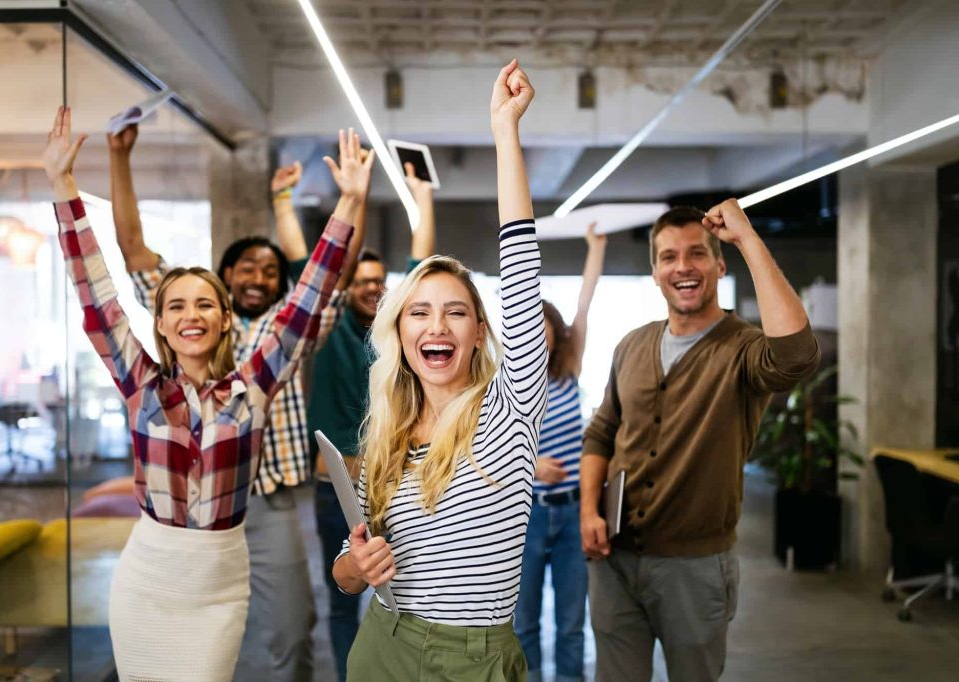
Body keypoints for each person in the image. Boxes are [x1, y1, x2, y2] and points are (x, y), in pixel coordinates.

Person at [46, 106, 371, 681]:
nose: (189, 314)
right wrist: (63, 187)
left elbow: (309, 299)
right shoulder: (141, 383)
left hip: (219, 580)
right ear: (161, 324)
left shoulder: (253, 386)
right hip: (148, 575)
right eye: (175, 305)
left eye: (204, 304)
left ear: (223, 320)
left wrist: (347, 203)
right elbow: (97, 301)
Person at [331, 59, 546, 682]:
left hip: (473, 660)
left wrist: (504, 131)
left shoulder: (509, 410)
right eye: (419, 313)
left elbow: (522, 262)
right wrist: (354, 568)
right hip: (384, 644)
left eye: (457, 313)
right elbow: (349, 568)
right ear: (399, 334)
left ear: (480, 332)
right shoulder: (389, 431)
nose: (438, 327)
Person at [579, 203, 821, 682]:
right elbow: (603, 431)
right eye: (668, 257)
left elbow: (796, 356)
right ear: (654, 272)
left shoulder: (744, 350)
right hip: (614, 561)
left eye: (696, 254)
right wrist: (589, 510)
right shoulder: (631, 344)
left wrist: (749, 239)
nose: (683, 267)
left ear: (719, 264)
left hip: (694, 567)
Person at [301, 160, 436, 682]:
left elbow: (422, 265)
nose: (371, 287)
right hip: (332, 489)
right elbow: (329, 273)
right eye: (361, 280)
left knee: (403, 595)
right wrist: (352, 200)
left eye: (380, 282)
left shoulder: (397, 337)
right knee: (342, 598)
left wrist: (422, 197)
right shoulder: (328, 330)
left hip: (390, 487)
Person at [515, 224, 607, 682]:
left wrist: (596, 250)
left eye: (543, 327)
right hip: (523, 513)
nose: (537, 335)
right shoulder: (503, 390)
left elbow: (584, 307)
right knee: (523, 624)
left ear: (553, 334)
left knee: (572, 625)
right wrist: (528, 466)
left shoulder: (567, 373)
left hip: (573, 515)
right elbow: (476, 451)